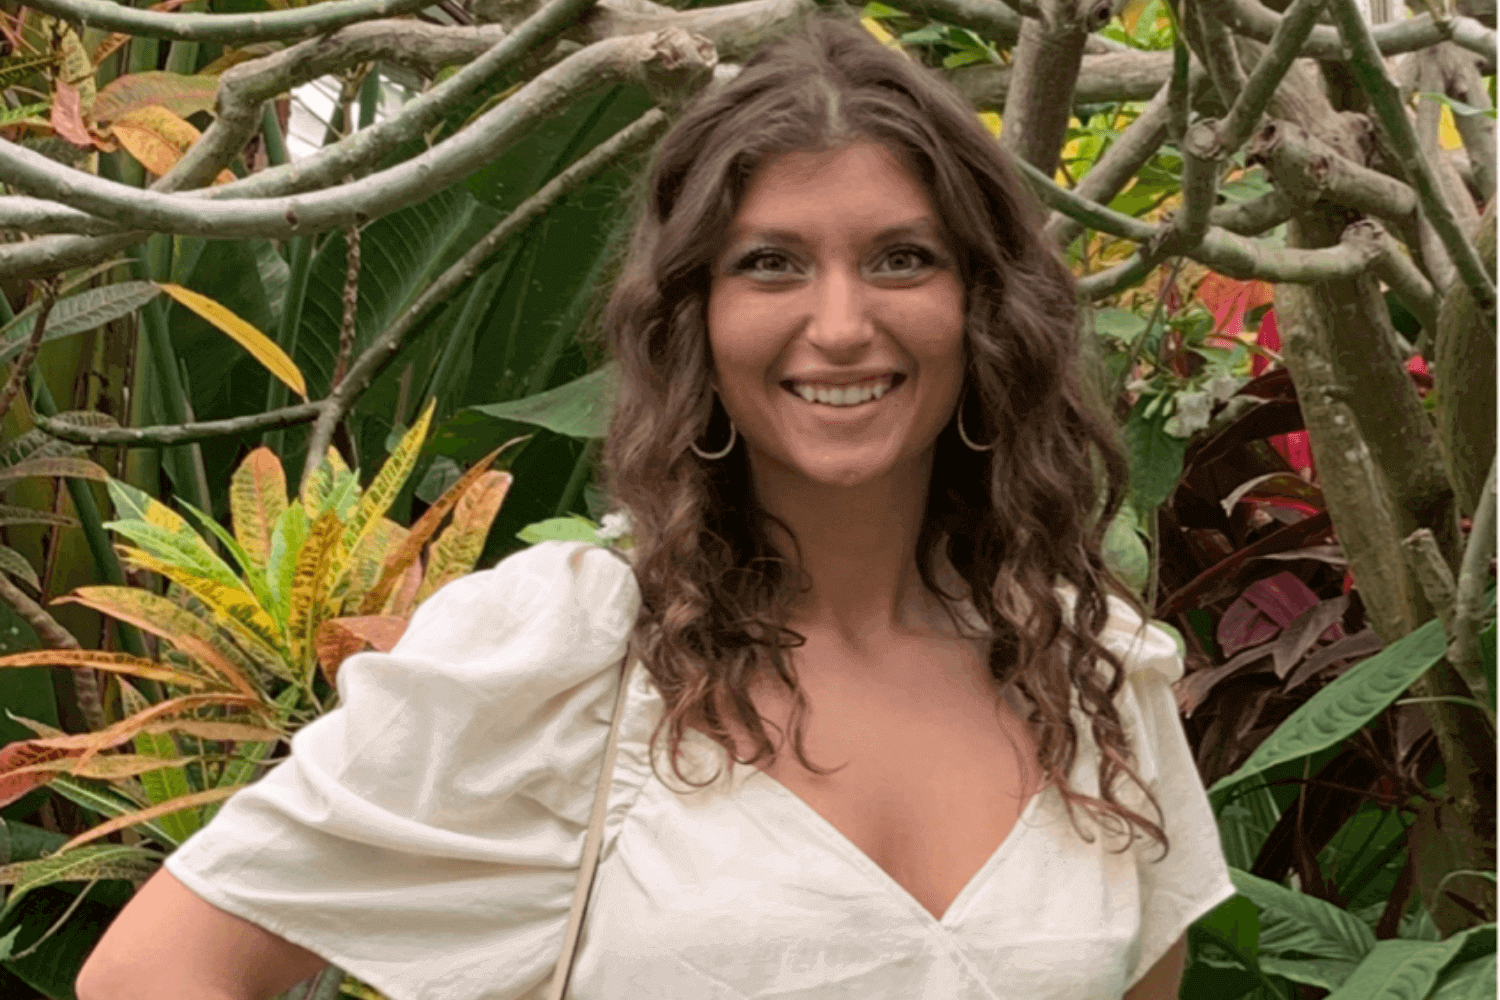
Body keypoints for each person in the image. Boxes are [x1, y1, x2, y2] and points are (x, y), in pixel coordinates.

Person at [76, 10, 1234, 1000]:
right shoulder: (571, 655)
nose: (840, 325)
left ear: (983, 308)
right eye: (771, 263)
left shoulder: (1093, 674)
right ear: (694, 322)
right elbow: (155, 969)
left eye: (901, 259)